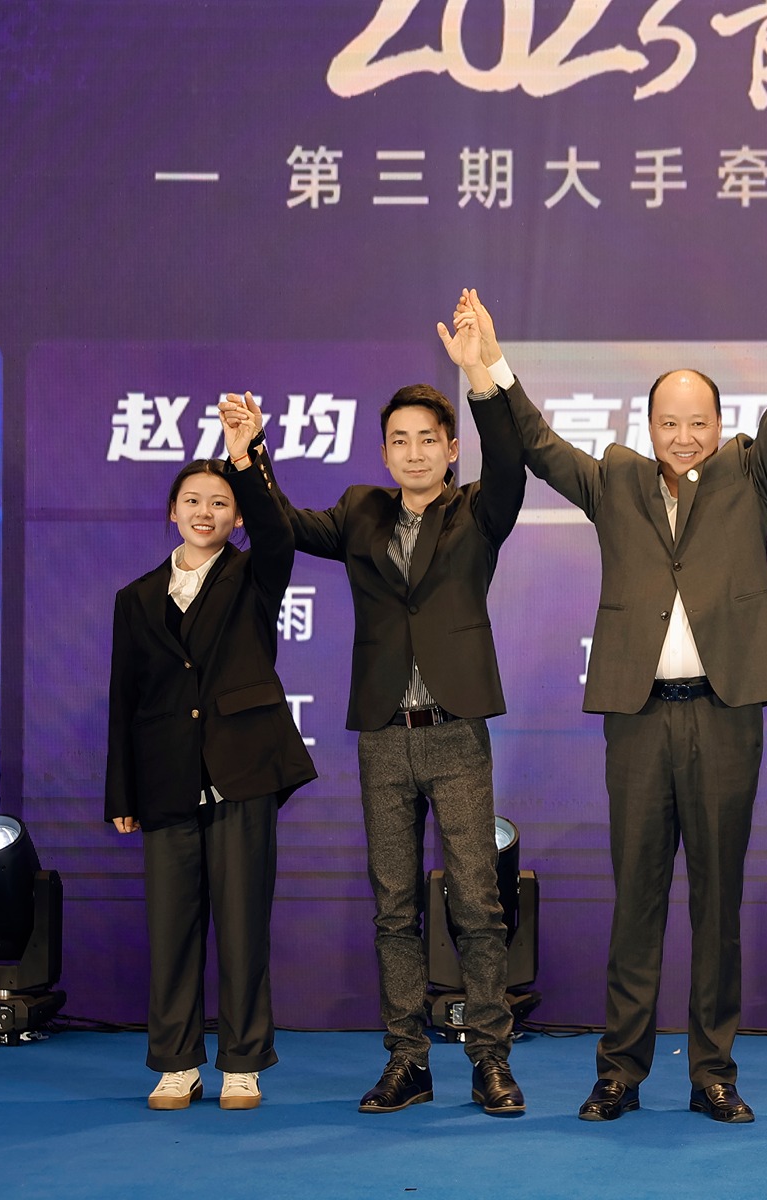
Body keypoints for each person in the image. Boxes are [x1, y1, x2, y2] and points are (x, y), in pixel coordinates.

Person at [454, 235, 767, 1124]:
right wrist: (491, 363)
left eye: (699, 422)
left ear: (720, 426)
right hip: (639, 721)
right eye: (669, 423)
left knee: (719, 905)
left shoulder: (752, 473)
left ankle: (714, 1072)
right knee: (637, 903)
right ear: (648, 424)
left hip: (725, 717)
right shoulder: (615, 480)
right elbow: (537, 443)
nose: (683, 437)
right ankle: (619, 1071)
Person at [270, 314, 528, 1117]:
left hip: (456, 733)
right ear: (384, 453)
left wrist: (479, 373)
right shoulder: (360, 511)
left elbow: (512, 458)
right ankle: (406, 1062)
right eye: (399, 441)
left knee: (477, 904)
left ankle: (490, 1060)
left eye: (428, 440)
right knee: (393, 909)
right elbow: (282, 525)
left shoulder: (479, 510)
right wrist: (249, 457)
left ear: (450, 450)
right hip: (384, 735)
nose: (414, 452)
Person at [105, 393, 317, 1112]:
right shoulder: (135, 598)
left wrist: (245, 457)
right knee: (171, 931)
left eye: (220, 503)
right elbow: (124, 700)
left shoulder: (254, 576)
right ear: (172, 511)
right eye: (193, 501)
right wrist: (122, 794)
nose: (206, 512)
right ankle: (176, 1063)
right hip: (166, 782)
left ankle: (243, 1063)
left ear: (236, 517)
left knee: (243, 927)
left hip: (242, 776)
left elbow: (278, 531)